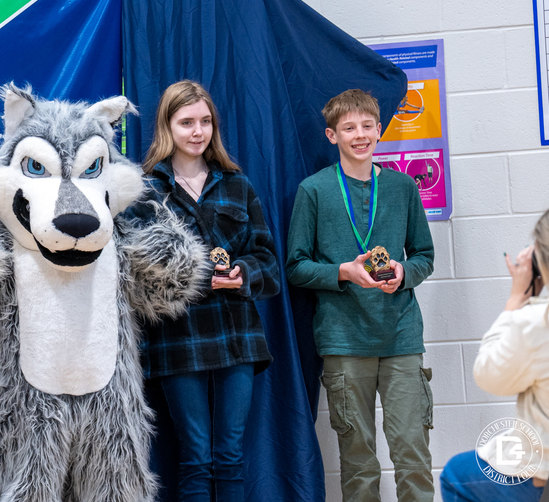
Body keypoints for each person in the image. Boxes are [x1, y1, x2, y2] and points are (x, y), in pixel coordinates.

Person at [285, 89, 435, 502]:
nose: (360, 134)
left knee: (413, 455)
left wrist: (404, 272)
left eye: (368, 126)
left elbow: (425, 255)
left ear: (379, 130)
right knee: (359, 463)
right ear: (333, 136)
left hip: (401, 336)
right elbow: (295, 265)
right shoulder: (313, 191)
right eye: (349, 128)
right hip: (344, 340)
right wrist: (344, 273)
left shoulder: (403, 187)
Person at [137, 80, 280, 501]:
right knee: (196, 457)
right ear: (167, 126)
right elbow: (137, 275)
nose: (197, 132)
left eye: (205, 121)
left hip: (237, 334)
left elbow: (267, 260)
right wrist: (187, 278)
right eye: (186, 123)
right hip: (178, 336)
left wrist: (243, 274)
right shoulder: (147, 192)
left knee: (230, 456)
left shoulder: (238, 185)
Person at [440, 199, 549, 502]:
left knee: (455, 474)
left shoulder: (538, 322)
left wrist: (515, 302)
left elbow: (489, 377)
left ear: (547, 262)